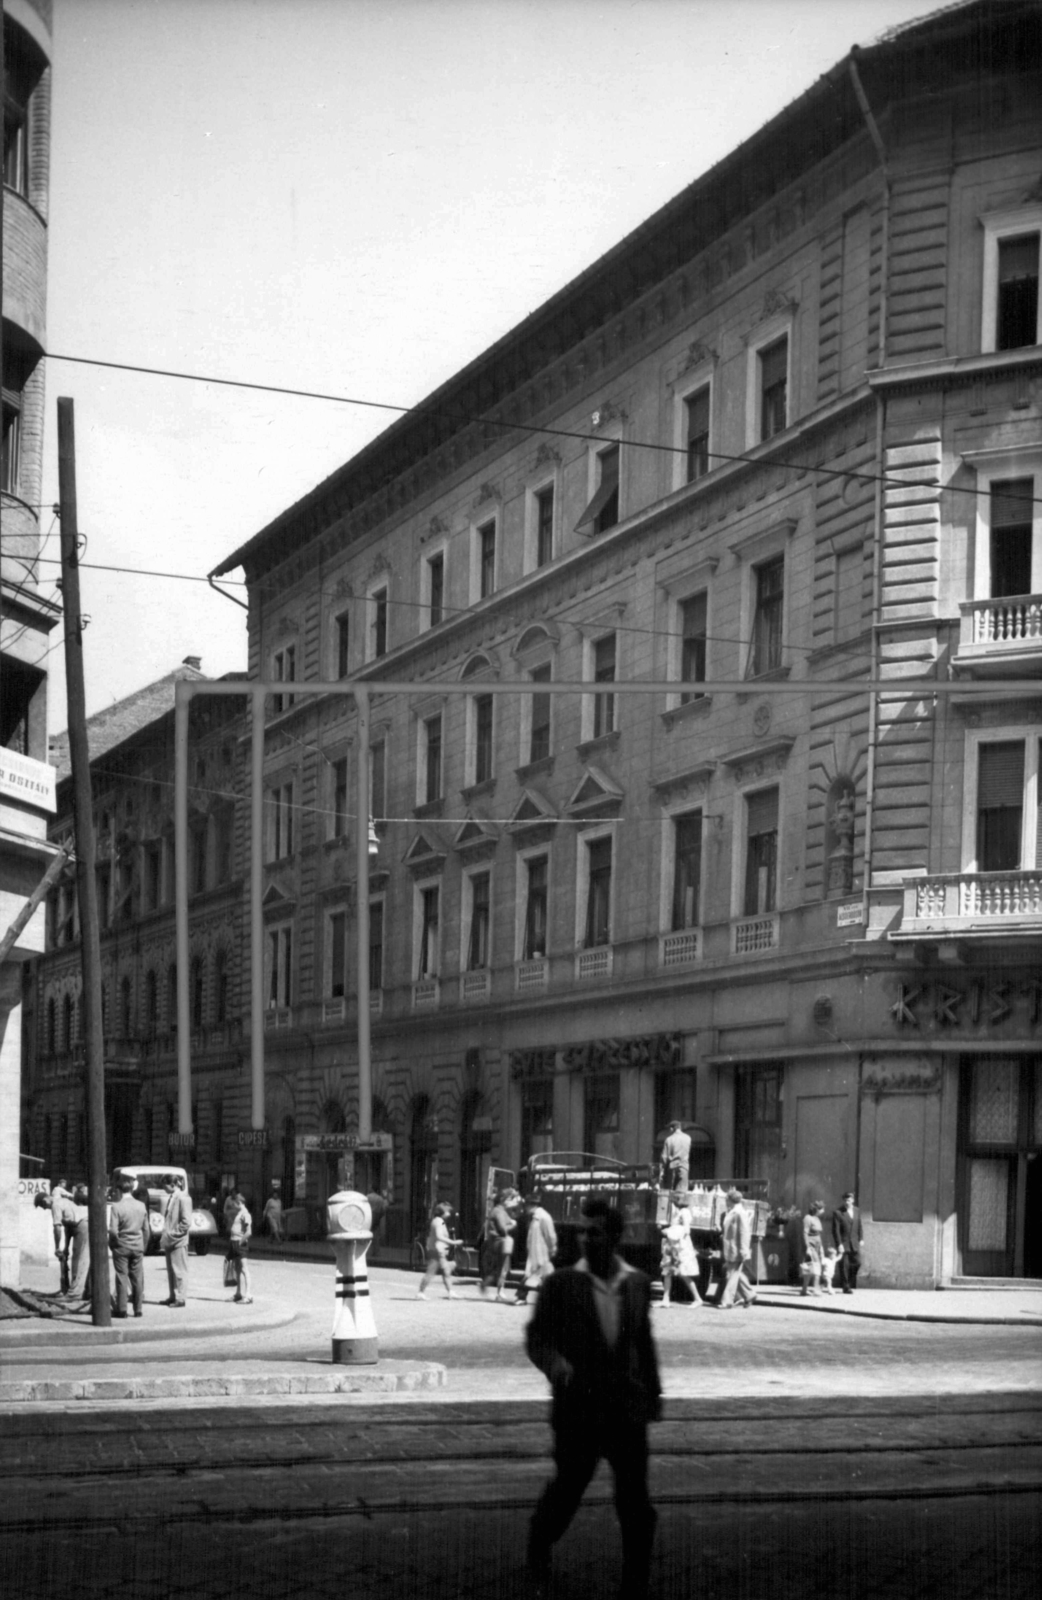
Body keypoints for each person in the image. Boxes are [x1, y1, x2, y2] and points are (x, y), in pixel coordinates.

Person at [525, 1197, 661, 1600]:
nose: (587, 1239)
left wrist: (652, 1393)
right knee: (567, 1491)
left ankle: (636, 1579)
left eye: (596, 1232)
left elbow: (643, 1343)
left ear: (615, 1236)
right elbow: (537, 1339)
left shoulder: (636, 1284)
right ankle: (539, 1546)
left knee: (635, 1501)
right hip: (579, 1411)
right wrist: (556, 1365)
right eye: (583, 1231)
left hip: (625, 1411)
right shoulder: (560, 1285)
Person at [108, 1174, 148, 1318]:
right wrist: (144, 1245)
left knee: (121, 1277)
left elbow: (113, 1230)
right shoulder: (141, 1205)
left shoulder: (116, 1207)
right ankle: (138, 1310)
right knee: (137, 1278)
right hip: (137, 1246)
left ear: (118, 1190)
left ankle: (122, 1309)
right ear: (131, 1189)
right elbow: (146, 1229)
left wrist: (113, 1244)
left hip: (122, 1246)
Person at [514, 1190, 558, 1306]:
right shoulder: (535, 1217)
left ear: (531, 1205)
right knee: (542, 1278)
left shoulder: (544, 1217)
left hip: (541, 1253)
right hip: (535, 1253)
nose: (525, 1208)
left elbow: (550, 1235)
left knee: (533, 1277)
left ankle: (522, 1296)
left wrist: (552, 1248)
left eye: (527, 1205)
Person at [659, 1192, 701, 1308]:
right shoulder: (679, 1212)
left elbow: (686, 1230)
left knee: (683, 1273)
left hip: (680, 1246)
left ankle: (697, 1299)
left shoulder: (684, 1212)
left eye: (673, 1200)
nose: (671, 1202)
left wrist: (668, 1232)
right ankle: (665, 1299)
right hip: (672, 1246)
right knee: (668, 1271)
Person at [717, 1187, 757, 1310]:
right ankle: (750, 1294)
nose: (725, 1202)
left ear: (730, 1200)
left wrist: (744, 1250)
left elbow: (745, 1232)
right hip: (730, 1248)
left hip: (736, 1249)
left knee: (732, 1275)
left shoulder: (740, 1213)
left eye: (726, 1199)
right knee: (735, 1274)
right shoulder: (733, 1211)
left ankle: (727, 1301)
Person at [159, 1175, 192, 1308]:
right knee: (171, 1271)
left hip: (177, 1241)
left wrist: (172, 1234)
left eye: (165, 1186)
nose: (164, 1189)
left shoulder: (183, 1198)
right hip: (170, 1241)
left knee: (179, 1271)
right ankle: (173, 1296)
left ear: (173, 1185)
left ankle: (180, 1298)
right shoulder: (173, 1197)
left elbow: (186, 1222)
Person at [481, 1188, 518, 1300]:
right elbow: (503, 1229)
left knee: (498, 1268)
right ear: (504, 1200)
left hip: (495, 1242)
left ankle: (488, 1285)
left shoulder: (497, 1210)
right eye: (511, 1199)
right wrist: (513, 1224)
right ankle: (500, 1292)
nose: (513, 1202)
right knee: (503, 1268)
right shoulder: (500, 1212)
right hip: (501, 1241)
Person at [416, 1202, 458, 1300]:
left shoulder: (440, 1221)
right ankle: (420, 1292)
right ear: (442, 1212)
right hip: (436, 1251)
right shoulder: (438, 1221)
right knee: (431, 1272)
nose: (449, 1212)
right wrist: (453, 1242)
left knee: (446, 1271)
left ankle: (450, 1291)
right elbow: (439, 1236)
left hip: (439, 1250)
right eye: (447, 1210)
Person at [832, 1190, 864, 1294]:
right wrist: (839, 1244)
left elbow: (859, 1226)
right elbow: (835, 1230)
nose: (847, 1202)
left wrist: (861, 1239)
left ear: (853, 1200)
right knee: (844, 1265)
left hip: (854, 1242)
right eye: (845, 1200)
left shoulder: (857, 1211)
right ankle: (845, 1287)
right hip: (844, 1243)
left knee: (858, 1262)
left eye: (849, 1200)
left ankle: (849, 1282)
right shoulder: (838, 1212)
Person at [226, 1191, 253, 1303]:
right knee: (237, 1269)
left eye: (235, 1203)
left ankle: (248, 1295)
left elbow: (249, 1232)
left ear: (239, 1203)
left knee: (244, 1269)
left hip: (240, 1244)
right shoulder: (239, 1212)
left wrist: (240, 1242)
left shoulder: (245, 1214)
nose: (233, 1206)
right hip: (235, 1242)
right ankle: (238, 1293)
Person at [66, 1184, 91, 1301]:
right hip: (83, 1223)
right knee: (83, 1258)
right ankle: (80, 1290)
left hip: (78, 1225)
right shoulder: (81, 1197)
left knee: (78, 1258)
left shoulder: (75, 1198)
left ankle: (78, 1288)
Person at [801, 1200, 825, 1296]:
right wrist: (807, 1247)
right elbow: (805, 1233)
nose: (823, 1211)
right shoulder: (808, 1218)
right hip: (810, 1246)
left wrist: (822, 1248)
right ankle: (815, 1289)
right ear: (817, 1209)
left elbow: (818, 1234)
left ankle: (804, 1290)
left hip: (817, 1246)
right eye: (822, 1208)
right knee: (816, 1265)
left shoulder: (817, 1219)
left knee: (810, 1268)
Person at [659, 1121, 691, 1193]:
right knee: (681, 1194)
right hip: (684, 1167)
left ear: (671, 1129)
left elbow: (664, 1158)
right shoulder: (688, 1138)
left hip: (672, 1167)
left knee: (670, 1193)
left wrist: (661, 1172)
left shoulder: (669, 1139)